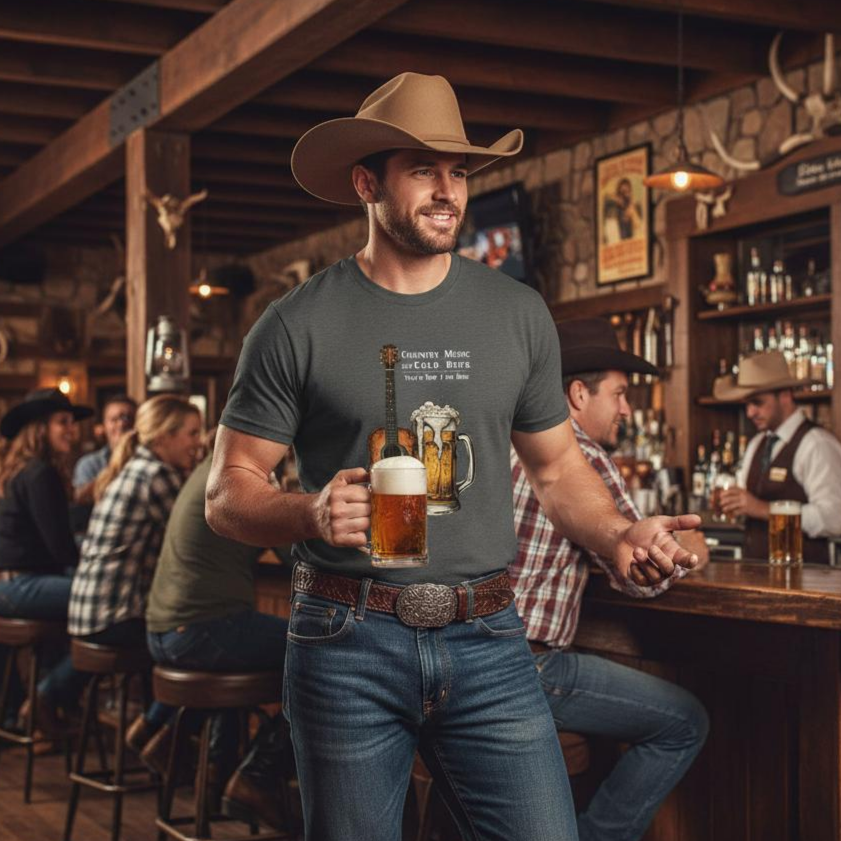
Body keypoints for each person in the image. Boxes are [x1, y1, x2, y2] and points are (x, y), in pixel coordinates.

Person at [206, 71, 700, 841]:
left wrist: (616, 533)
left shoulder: (516, 312)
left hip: (490, 635)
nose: (446, 191)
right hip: (346, 638)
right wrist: (307, 511)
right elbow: (226, 493)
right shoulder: (295, 323)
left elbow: (556, 467)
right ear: (366, 182)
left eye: (459, 171)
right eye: (422, 170)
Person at [510, 318, 710, 841]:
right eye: (619, 394)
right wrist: (691, 549)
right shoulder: (582, 457)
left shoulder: (502, 440)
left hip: (467, 659)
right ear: (578, 394)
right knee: (685, 721)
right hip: (526, 667)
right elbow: (642, 576)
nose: (627, 409)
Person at [138, 431, 294, 831]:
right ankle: (256, 776)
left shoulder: (209, 469)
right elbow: (293, 555)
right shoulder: (248, 479)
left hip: (167, 631)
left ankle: (208, 770)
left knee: (243, 652)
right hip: (200, 629)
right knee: (322, 657)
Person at [67, 393, 200, 754]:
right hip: (116, 614)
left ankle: (160, 736)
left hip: (90, 611)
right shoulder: (157, 476)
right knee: (198, 647)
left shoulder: (134, 468)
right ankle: (158, 733)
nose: (198, 442)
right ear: (164, 436)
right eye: (191, 433)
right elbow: (197, 541)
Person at [0, 388, 93, 734]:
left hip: (10, 584)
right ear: (41, 428)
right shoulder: (40, 473)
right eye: (62, 422)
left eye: (72, 422)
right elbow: (60, 548)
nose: (72, 430)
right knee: (110, 607)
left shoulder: (19, 469)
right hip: (21, 585)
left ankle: (44, 710)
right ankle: (47, 696)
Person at [717, 351, 841, 562]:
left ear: (785, 396)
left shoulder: (816, 444)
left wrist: (762, 509)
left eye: (757, 402)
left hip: (806, 575)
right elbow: (748, 507)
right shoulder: (757, 443)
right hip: (754, 571)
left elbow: (834, 518)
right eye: (747, 404)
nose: (750, 412)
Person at [72, 394, 137, 506]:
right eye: (114, 419)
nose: (121, 424)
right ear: (104, 425)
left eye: (128, 418)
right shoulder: (89, 464)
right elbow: (82, 500)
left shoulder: (149, 461)